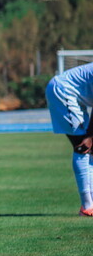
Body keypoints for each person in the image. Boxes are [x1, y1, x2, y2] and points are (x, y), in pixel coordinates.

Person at [46, 63, 93, 216]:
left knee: (91, 149)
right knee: (83, 147)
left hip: (74, 95)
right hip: (63, 90)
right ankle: (87, 207)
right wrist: (91, 136)